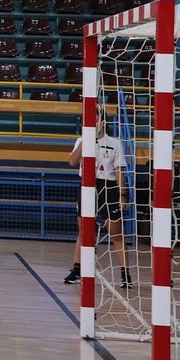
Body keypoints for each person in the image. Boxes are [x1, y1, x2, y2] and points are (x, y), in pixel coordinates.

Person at [63, 114, 130, 288]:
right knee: (84, 231)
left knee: (115, 232)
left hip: (108, 188)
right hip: (86, 186)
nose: (93, 121)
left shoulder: (115, 143)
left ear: (103, 121)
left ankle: (125, 274)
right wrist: (86, 140)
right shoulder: (81, 140)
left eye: (96, 118)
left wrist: (123, 194)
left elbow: (119, 170)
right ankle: (77, 270)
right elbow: (71, 161)